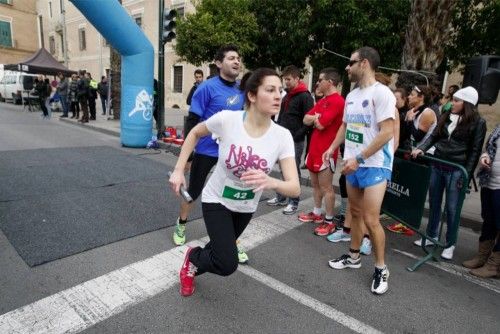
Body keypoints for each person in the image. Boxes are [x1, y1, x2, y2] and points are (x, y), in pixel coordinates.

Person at [169, 68, 300, 297]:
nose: (279, 95)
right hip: (217, 199)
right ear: (251, 95)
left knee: (221, 250)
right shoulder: (227, 120)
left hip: (246, 206)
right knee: (227, 263)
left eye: (280, 90)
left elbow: (295, 187)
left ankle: (192, 265)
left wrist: (272, 181)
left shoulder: (282, 136)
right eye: (270, 90)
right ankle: (192, 257)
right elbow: (194, 134)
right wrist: (179, 170)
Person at [323, 46, 395, 295]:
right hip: (352, 163)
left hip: (375, 165)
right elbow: (345, 125)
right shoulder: (352, 95)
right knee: (353, 212)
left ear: (363, 63)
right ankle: (353, 257)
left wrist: (361, 157)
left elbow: (387, 132)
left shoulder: (382, 93)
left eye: (350, 62)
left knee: (371, 219)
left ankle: (381, 268)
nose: (347, 67)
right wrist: (333, 147)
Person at [171, 45, 249, 263]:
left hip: (231, 153)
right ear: (218, 63)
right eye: (231, 58)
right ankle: (181, 224)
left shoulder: (242, 91)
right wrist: (188, 154)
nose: (236, 62)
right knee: (194, 191)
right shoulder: (205, 88)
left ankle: (232, 241)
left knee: (231, 196)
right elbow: (193, 122)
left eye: (238, 58)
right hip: (206, 150)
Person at [411, 86, 486, 260]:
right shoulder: (446, 116)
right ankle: (431, 236)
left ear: (467, 104)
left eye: (457, 100)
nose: (452, 103)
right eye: (453, 99)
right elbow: (434, 137)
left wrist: (466, 177)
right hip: (438, 164)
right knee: (435, 203)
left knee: (452, 208)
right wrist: (422, 149)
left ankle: (450, 243)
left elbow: (475, 151)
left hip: (457, 170)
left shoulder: (478, 122)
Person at [299, 68, 344, 237]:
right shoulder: (323, 100)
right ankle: (317, 214)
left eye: (320, 80)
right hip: (314, 149)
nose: (317, 83)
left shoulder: (338, 101)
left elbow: (321, 124)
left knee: (327, 188)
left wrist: (315, 118)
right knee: (316, 185)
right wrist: (316, 117)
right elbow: (305, 119)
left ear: (329, 82)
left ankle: (330, 220)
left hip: (327, 151)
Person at [266, 65, 314, 215]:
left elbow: (308, 120)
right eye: (284, 79)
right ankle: (281, 197)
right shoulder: (287, 95)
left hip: (295, 140)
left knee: (292, 171)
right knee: (282, 168)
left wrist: (298, 135)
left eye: (288, 79)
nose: (285, 82)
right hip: (282, 138)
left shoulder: (305, 96)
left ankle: (294, 201)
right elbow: (282, 116)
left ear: (297, 79)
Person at [464, 124, 500, 277]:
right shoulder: (499, 128)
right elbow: (490, 149)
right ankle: (482, 256)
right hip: (490, 180)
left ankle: (494, 265)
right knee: (489, 221)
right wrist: (484, 157)